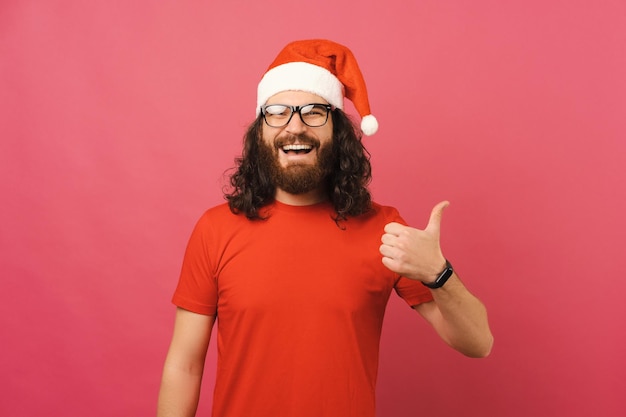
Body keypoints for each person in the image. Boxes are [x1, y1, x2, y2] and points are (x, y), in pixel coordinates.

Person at [157, 39, 493, 417]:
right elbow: (183, 366)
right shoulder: (214, 229)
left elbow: (478, 343)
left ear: (338, 132)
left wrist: (439, 273)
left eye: (314, 112)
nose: (295, 127)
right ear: (259, 131)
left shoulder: (384, 229)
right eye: (278, 112)